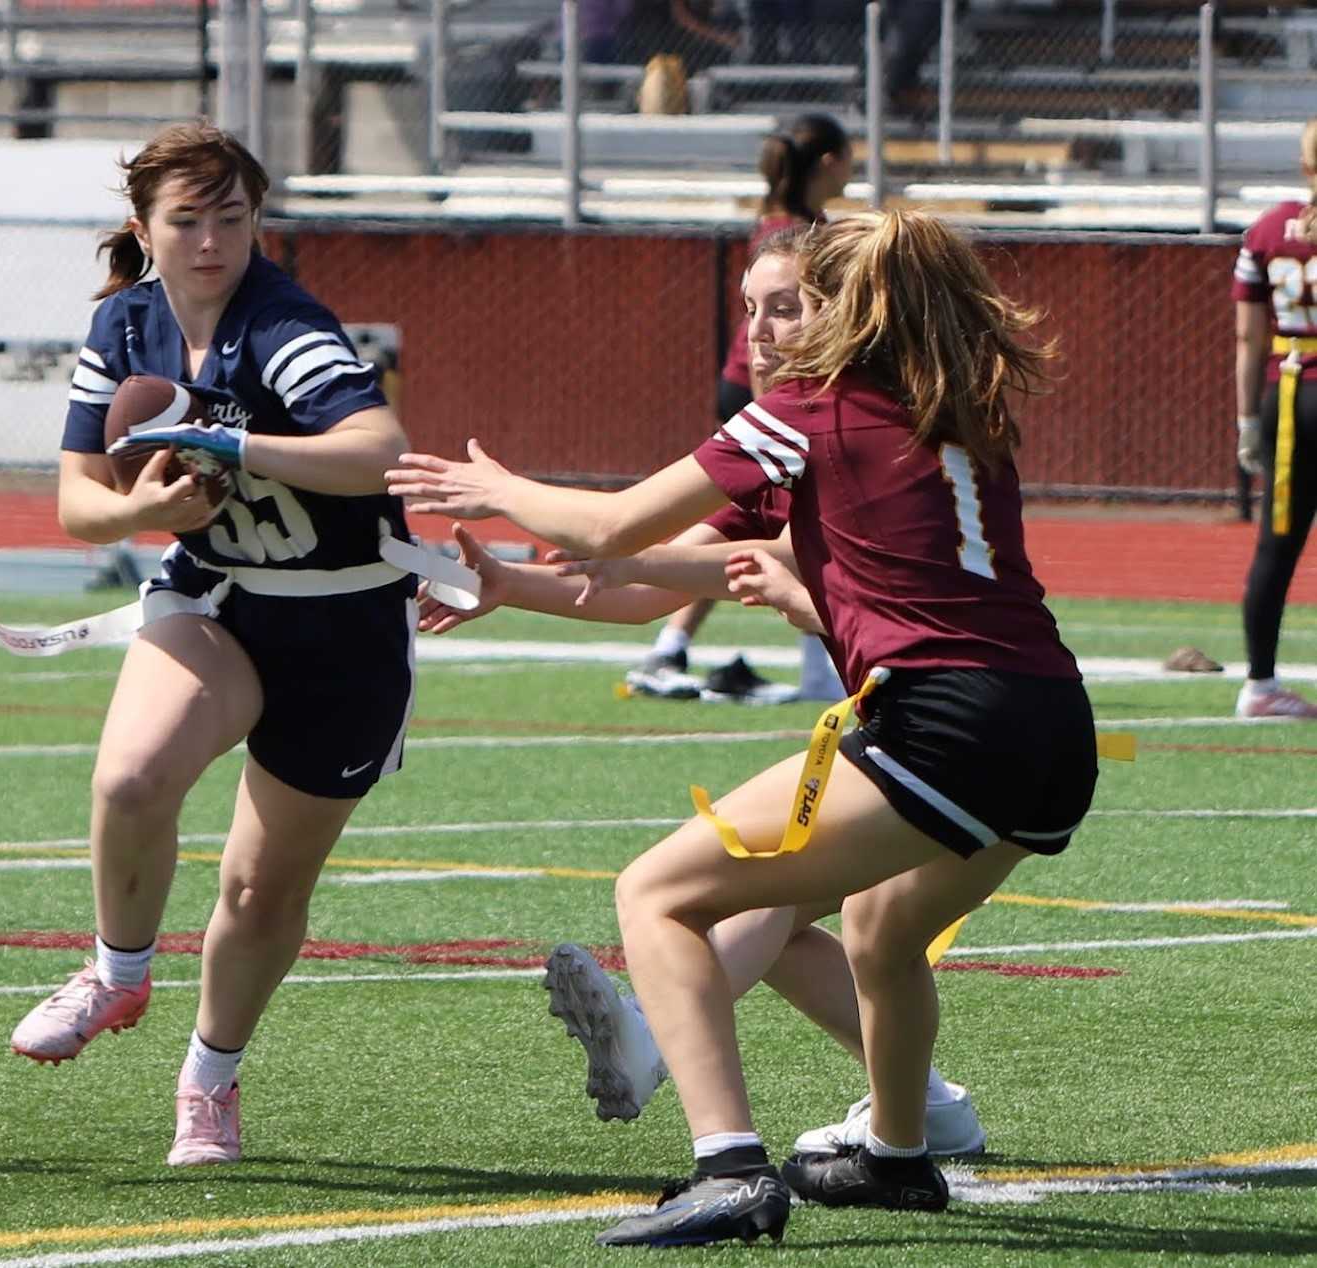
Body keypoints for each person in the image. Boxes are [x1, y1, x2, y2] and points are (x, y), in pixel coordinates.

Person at [387, 209, 1097, 1247]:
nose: (762, 333)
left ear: (849, 310)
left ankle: (726, 1164)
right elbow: (661, 573)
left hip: (946, 718)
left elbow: (611, 529)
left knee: (657, 892)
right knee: (881, 931)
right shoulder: (952, 404)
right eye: (752, 311)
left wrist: (496, 489)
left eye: (791, 306)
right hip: (1051, 725)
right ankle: (901, 1152)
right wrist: (516, 585)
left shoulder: (807, 413)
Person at [7, 121, 419, 1167]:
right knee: (131, 778)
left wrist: (232, 441)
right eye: (185, 221)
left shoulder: (283, 325)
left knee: (258, 889)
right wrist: (145, 504)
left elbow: (379, 448)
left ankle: (210, 1078)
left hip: (344, 616)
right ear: (144, 228)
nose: (209, 242)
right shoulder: (125, 327)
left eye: (230, 218)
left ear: (257, 220)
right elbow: (76, 505)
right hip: (218, 591)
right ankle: (117, 968)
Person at [633, 116, 852, 705]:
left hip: (772, 388)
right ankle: (670, 644)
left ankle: (676, 645)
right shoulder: (796, 237)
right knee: (770, 526)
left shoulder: (797, 226)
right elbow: (615, 521)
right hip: (770, 387)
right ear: (829, 163)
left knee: (780, 526)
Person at [1229, 115, 1317, 719]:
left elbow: (1246, 340)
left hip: (1285, 394)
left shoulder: (1268, 227)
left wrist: (1245, 422)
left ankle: (1260, 684)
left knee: (1275, 545)